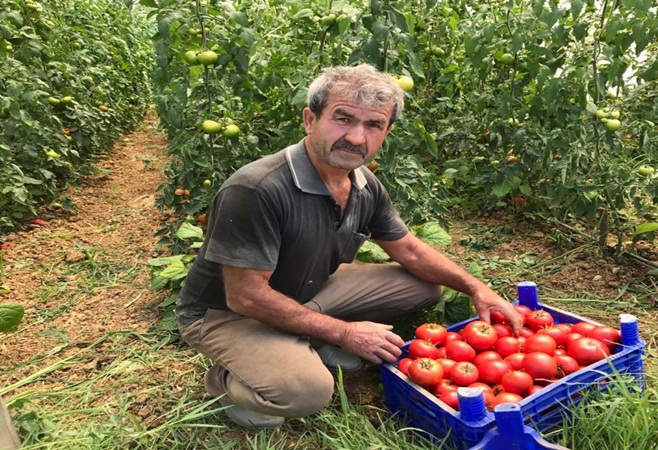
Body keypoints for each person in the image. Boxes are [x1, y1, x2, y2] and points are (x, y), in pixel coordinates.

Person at [174, 63, 523, 429]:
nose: (356, 138)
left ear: (386, 132)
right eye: (343, 119)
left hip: (304, 288)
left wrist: (476, 288)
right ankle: (226, 384)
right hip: (225, 313)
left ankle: (304, 333)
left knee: (424, 284)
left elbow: (410, 250)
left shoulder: (362, 183)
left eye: (373, 125)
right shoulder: (256, 189)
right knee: (307, 392)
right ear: (310, 120)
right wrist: (344, 333)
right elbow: (245, 297)